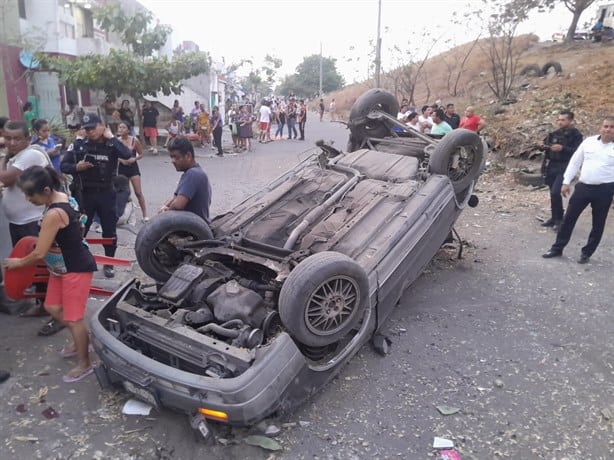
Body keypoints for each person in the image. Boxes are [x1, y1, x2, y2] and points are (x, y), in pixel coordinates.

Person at [3, 165, 97, 383]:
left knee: (74, 319)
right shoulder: (59, 195)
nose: (28, 199)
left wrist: (18, 263)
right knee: (51, 307)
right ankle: (81, 337)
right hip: (59, 268)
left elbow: (39, 253)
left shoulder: (54, 213)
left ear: (46, 190)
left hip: (75, 269)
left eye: (30, 194)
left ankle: (85, 363)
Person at [0, 120, 63, 335]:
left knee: (47, 266)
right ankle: (43, 305)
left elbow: (6, 179)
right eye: (8, 138)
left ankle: (57, 314)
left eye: (17, 138)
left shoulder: (30, 154)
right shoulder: (17, 156)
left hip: (35, 220)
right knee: (37, 269)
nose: (11, 142)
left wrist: (3, 159)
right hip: (20, 221)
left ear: (28, 139)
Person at [60, 113, 132, 278]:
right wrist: (77, 167)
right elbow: (64, 165)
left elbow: (127, 155)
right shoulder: (79, 144)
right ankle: (78, 262)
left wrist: (112, 137)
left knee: (109, 231)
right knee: (79, 230)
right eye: (87, 129)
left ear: (102, 126)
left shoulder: (111, 144)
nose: (90, 132)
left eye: (93, 128)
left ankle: (109, 263)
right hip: (85, 194)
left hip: (107, 193)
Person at [542, 117, 614, 264]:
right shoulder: (589, 142)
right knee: (569, 219)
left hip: (605, 189)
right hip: (584, 187)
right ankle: (557, 248)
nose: (608, 129)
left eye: (612, 127)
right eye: (605, 126)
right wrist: (566, 182)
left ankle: (587, 253)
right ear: (601, 127)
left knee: (598, 223)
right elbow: (575, 161)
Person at [539, 110, 584, 231]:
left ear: (571, 121)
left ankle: (560, 220)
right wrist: (543, 146)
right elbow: (545, 145)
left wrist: (563, 148)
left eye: (563, 120)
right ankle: (554, 217)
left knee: (555, 192)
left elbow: (578, 152)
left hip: (565, 166)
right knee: (552, 193)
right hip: (552, 165)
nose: (560, 122)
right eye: (558, 120)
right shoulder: (554, 134)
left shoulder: (576, 135)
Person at [160, 137, 211, 223]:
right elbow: (175, 198)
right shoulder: (192, 172)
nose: (173, 161)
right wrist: (164, 206)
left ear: (188, 156)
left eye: (176, 157)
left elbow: (177, 205)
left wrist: (165, 214)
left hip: (193, 229)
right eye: (171, 157)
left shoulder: (193, 174)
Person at [117, 122, 148, 221]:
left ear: (128, 130)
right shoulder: (117, 141)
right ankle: (126, 215)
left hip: (133, 168)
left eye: (123, 127)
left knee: (138, 192)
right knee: (125, 193)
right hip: (122, 168)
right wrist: (121, 160)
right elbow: (114, 155)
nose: (121, 129)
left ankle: (145, 215)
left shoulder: (134, 140)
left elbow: (141, 154)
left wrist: (134, 159)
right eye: (120, 127)